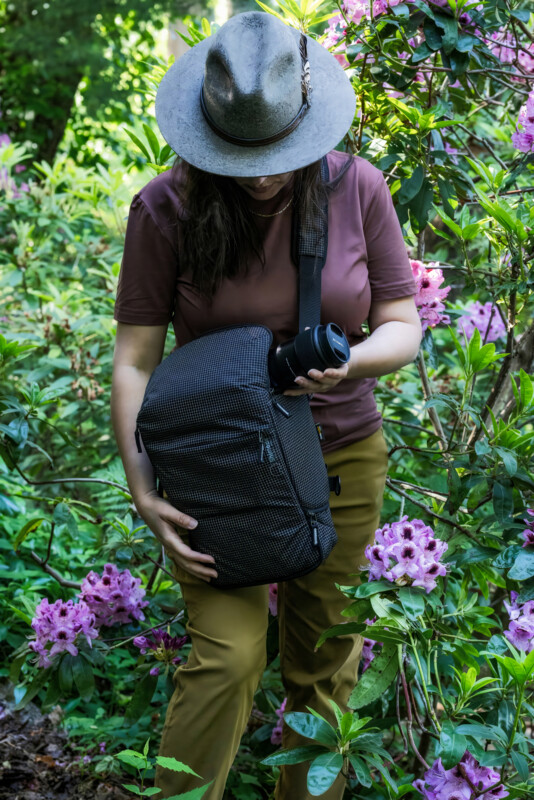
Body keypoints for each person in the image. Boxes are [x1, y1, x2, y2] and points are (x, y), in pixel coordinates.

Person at [110, 10, 422, 800]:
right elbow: (135, 361)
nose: (259, 175)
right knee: (228, 654)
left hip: (343, 456)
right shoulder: (165, 210)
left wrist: (345, 363)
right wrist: (145, 492)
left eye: (275, 150)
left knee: (322, 667)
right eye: (240, 154)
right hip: (219, 466)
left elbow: (402, 326)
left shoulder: (358, 188)